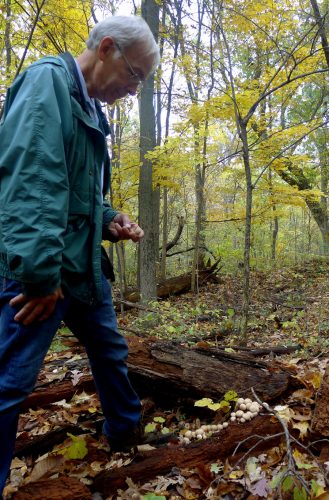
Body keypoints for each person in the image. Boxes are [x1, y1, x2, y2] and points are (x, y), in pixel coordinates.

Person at [0, 15, 160, 496]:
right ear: (107, 48)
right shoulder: (48, 82)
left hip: (81, 265)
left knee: (110, 351)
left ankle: (123, 432)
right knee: (9, 382)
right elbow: (32, 182)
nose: (134, 90)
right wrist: (39, 275)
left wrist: (110, 219)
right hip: (43, 270)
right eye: (135, 75)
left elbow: (74, 190)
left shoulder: (88, 104)